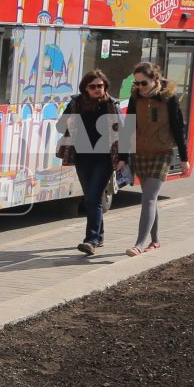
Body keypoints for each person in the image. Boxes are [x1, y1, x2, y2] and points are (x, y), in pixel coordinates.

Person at [124, 63, 189, 257]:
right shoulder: (136, 97)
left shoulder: (169, 99)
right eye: (137, 84)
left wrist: (184, 158)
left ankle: (139, 244)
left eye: (144, 83)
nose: (140, 87)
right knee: (149, 200)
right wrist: (122, 157)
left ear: (155, 80)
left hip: (162, 154)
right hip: (141, 154)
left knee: (149, 198)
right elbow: (128, 127)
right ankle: (155, 241)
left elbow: (178, 129)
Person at [58, 71, 121, 256]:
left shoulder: (111, 105)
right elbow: (60, 127)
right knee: (91, 197)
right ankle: (99, 235)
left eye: (100, 86)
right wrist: (68, 120)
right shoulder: (76, 103)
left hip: (105, 158)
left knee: (93, 197)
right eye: (92, 86)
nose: (96, 89)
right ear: (85, 88)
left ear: (105, 87)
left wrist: (124, 159)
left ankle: (91, 240)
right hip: (82, 157)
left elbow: (124, 133)